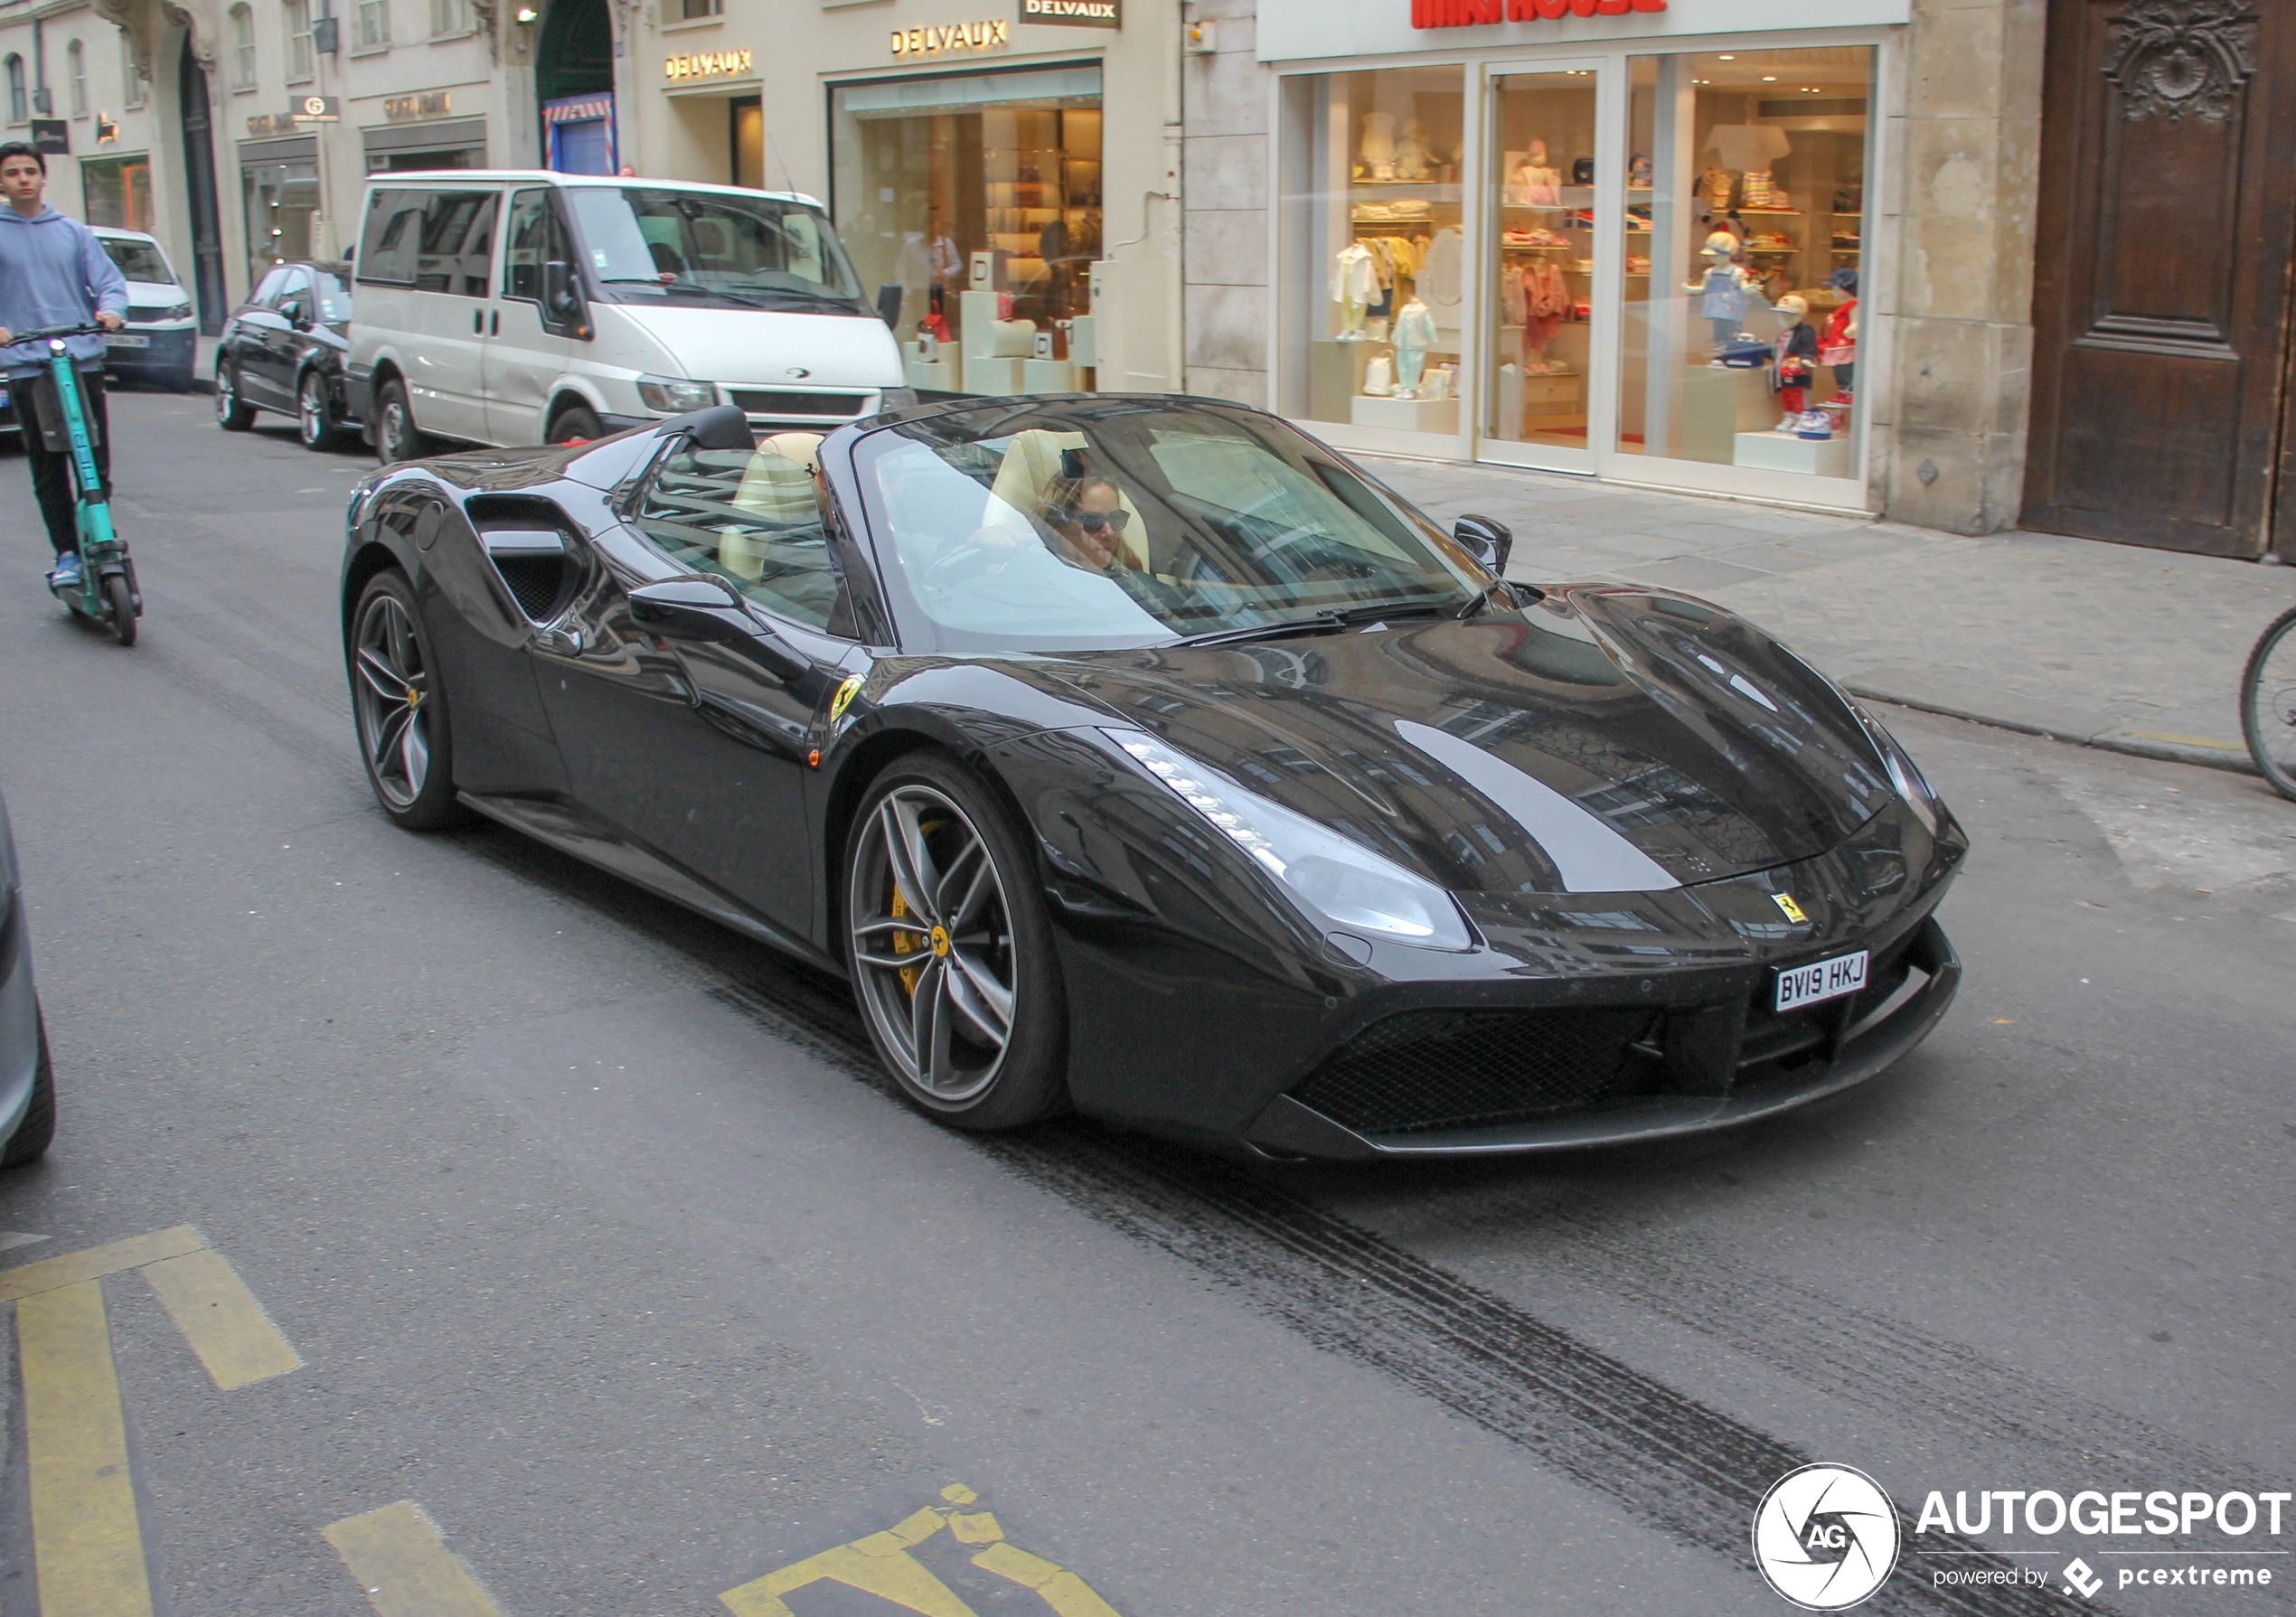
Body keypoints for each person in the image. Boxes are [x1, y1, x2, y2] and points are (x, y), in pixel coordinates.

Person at [0, 142, 127, 587]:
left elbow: (110, 283)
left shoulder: (73, 232)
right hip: (28, 366)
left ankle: (98, 536)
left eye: (30, 170)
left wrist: (110, 312)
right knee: (49, 464)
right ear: (2, 182)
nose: (23, 179)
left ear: (43, 176)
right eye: (13, 172)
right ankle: (68, 553)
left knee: (94, 460)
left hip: (81, 360)